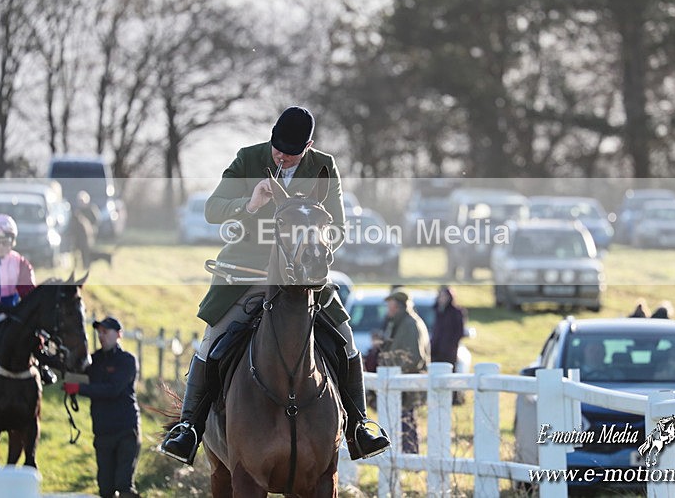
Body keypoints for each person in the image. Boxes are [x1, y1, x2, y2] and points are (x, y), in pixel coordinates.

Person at [160, 106, 389, 464]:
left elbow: (339, 228)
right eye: (277, 147)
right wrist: (249, 203)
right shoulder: (249, 159)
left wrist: (314, 247)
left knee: (344, 338)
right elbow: (212, 209)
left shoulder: (324, 167)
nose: (280, 156)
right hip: (246, 273)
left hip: (303, 274)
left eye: (290, 152)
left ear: (309, 146)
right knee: (212, 339)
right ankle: (188, 428)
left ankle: (360, 425)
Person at [0, 214, 55, 384]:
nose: (0, 245)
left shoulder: (21, 263)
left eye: (5, 241)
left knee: (35, 334)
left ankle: (42, 367)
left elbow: (28, 292)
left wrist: (22, 308)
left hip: (14, 312)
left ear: (12, 241)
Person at [63, 317, 140, 498]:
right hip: (102, 432)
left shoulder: (127, 361)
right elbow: (73, 373)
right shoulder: (93, 360)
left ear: (119, 334)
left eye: (106, 332)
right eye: (99, 332)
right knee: (105, 490)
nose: (101, 335)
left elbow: (113, 389)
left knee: (124, 487)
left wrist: (78, 388)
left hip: (126, 431)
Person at [377, 288, 430, 454]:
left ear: (399, 306)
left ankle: (410, 457)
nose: (388, 309)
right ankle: (405, 457)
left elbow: (414, 357)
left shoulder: (410, 324)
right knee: (403, 420)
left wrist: (397, 372)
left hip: (407, 384)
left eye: (390, 305)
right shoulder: (401, 323)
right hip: (402, 382)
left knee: (406, 420)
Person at [70, 191, 112, 269]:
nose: (81, 203)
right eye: (79, 201)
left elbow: (97, 220)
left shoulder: (91, 209)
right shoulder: (78, 212)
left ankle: (87, 265)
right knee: (81, 251)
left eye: (82, 201)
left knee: (88, 251)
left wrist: (91, 227)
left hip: (90, 234)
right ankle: (82, 265)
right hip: (80, 236)